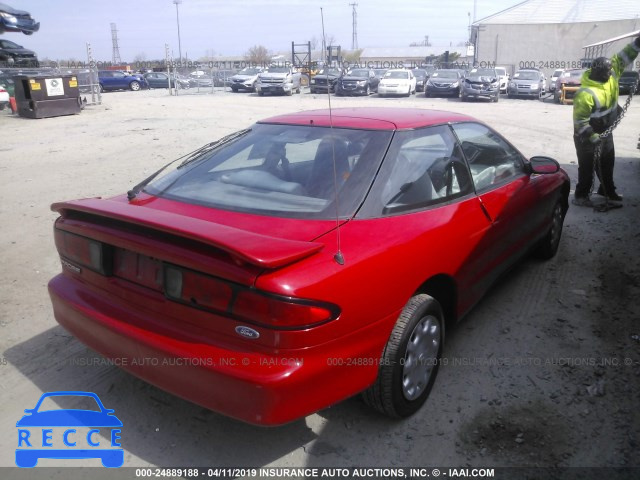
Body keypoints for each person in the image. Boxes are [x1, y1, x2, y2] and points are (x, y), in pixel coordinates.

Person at [572, 35, 640, 207]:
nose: (611, 73)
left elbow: (623, 56)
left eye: (611, 71)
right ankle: (580, 196)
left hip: (606, 131)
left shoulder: (611, 73)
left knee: (608, 162)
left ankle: (607, 190)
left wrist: (637, 44)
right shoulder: (585, 93)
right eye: (607, 72)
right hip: (586, 135)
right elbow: (580, 122)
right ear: (597, 72)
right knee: (587, 166)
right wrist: (592, 136)